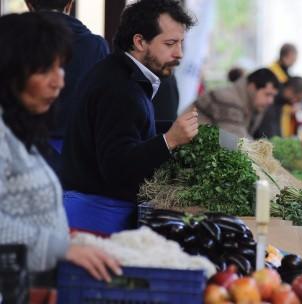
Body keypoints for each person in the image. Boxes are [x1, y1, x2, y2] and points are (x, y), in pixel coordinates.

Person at [0, 12, 120, 282]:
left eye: (61, 67)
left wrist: (65, 237)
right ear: (8, 71)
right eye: (45, 70)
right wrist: (60, 248)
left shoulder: (19, 133)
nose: (59, 82)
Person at [61, 0, 197, 235]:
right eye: (170, 44)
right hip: (95, 216)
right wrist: (169, 140)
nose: (179, 54)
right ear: (140, 41)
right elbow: (117, 167)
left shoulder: (118, 72)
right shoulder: (120, 88)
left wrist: (173, 130)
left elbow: (130, 128)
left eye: (181, 43)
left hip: (96, 208)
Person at [24, 0, 109, 176]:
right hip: (78, 158)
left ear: (28, 4)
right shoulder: (95, 46)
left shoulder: (13, 42)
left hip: (23, 147)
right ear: (69, 4)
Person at [192, 68, 279, 139]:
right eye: (267, 94)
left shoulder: (254, 105)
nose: (270, 101)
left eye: (273, 96)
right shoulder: (228, 99)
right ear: (252, 87)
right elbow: (235, 142)